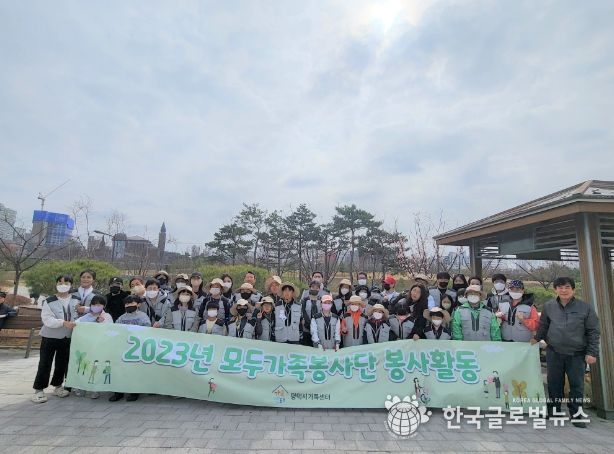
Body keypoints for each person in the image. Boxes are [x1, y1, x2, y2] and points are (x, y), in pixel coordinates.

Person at [531, 277, 600, 427]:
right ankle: (554, 410)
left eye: (567, 287)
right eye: (560, 287)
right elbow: (544, 326)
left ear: (573, 289)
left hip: (577, 354)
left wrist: (592, 353)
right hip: (554, 351)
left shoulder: (585, 308)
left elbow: (593, 331)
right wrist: (536, 339)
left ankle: (576, 414)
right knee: (554, 383)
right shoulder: (549, 306)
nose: (563, 290)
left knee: (576, 385)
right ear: (555, 289)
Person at [32, 275, 79, 404]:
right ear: (56, 284)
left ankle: (58, 386)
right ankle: (39, 390)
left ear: (71, 285)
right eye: (60, 282)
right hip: (50, 337)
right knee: (45, 363)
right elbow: (47, 319)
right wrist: (62, 322)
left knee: (62, 363)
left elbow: (80, 314)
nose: (63, 284)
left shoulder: (76, 299)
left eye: (66, 282)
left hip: (67, 337)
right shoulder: (49, 300)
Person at [109, 295, 151, 402]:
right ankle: (118, 392)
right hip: (123, 347)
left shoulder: (143, 316)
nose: (129, 305)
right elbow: (115, 329)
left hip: (136, 348)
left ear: (138, 304)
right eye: (127, 304)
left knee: (134, 371)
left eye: (132, 303)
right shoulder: (122, 318)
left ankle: (134, 392)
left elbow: (147, 328)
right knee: (120, 370)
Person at [74, 295, 112, 399]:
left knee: (97, 366)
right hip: (87, 347)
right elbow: (76, 325)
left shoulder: (107, 316)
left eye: (99, 304)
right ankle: (81, 387)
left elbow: (111, 329)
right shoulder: (85, 317)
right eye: (94, 304)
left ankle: (95, 389)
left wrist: (103, 322)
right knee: (85, 366)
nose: (96, 306)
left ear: (103, 306)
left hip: (100, 347)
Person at [300, 280, 321, 345]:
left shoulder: (321, 300)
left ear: (319, 289)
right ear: (310, 288)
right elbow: (303, 311)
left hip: (318, 328)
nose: (315, 289)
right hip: (306, 328)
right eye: (313, 287)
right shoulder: (304, 300)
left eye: (317, 288)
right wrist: (309, 324)